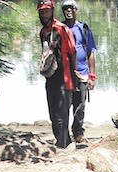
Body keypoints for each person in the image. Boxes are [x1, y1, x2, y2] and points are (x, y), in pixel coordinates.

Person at [36, 0, 75, 149]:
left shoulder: (62, 29)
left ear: (52, 11)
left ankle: (63, 143)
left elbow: (72, 52)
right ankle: (61, 141)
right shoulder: (43, 32)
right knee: (53, 113)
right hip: (50, 78)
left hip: (64, 77)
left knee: (62, 114)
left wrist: (76, 74)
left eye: (47, 11)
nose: (44, 14)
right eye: (42, 11)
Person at [61, 0, 95, 145]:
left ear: (76, 10)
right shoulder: (60, 28)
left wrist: (92, 76)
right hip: (64, 75)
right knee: (64, 105)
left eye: (71, 8)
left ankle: (78, 133)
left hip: (82, 73)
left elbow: (91, 52)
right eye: (65, 8)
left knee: (80, 105)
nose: (68, 11)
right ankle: (63, 136)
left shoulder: (84, 28)